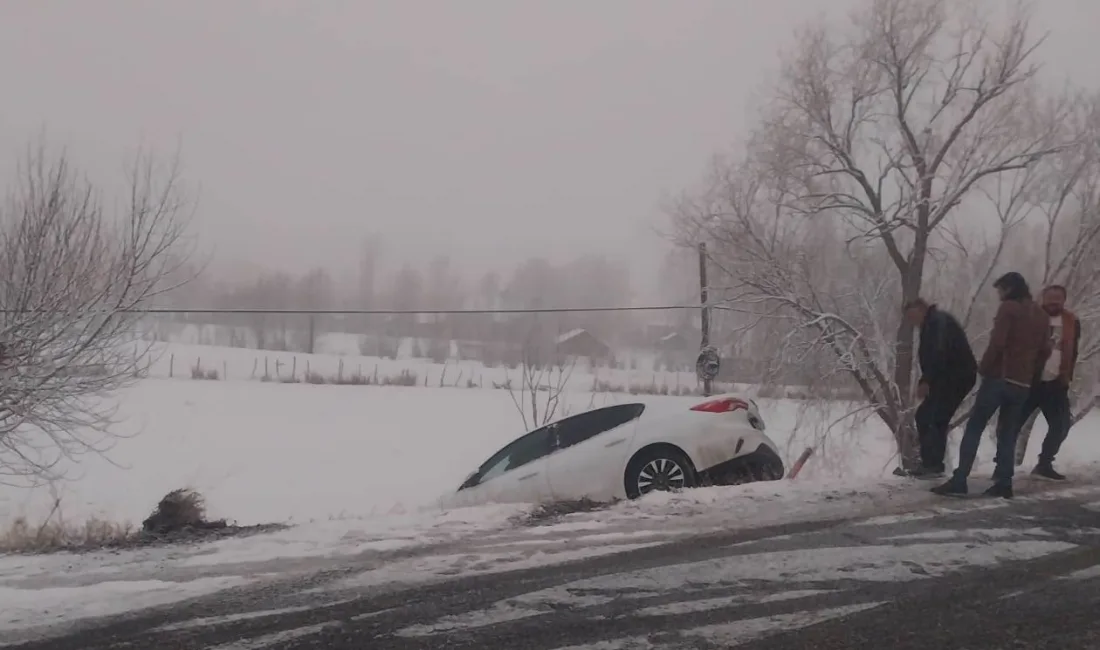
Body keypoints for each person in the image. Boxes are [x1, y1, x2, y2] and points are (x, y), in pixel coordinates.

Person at [932, 272, 1050, 499]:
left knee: (975, 427)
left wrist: (984, 369)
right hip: (1022, 383)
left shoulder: (1009, 308)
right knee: (1008, 433)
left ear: (1009, 289)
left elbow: (998, 342)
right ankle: (1004, 484)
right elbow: (1045, 350)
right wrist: (1031, 374)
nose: (999, 295)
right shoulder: (1041, 315)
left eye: (1000, 290)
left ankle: (959, 480)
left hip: (1000, 378)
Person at [902, 298, 977, 479]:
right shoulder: (930, 324)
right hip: (945, 377)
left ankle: (933, 465)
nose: (912, 322)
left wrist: (926, 381)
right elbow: (931, 357)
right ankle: (931, 463)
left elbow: (939, 352)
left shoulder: (937, 323)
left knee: (935, 417)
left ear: (921, 309)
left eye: (912, 316)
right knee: (926, 416)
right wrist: (926, 379)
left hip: (957, 377)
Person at [1015, 284, 1082, 481]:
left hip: (1056, 382)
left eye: (1058, 298)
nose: (1054, 302)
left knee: (1061, 425)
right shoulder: (1030, 317)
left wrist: (1067, 375)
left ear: (1064, 300)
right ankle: (1001, 464)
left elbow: (1074, 350)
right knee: (1012, 423)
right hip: (1029, 381)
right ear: (1043, 298)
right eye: (1050, 298)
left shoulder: (1071, 321)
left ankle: (1044, 463)